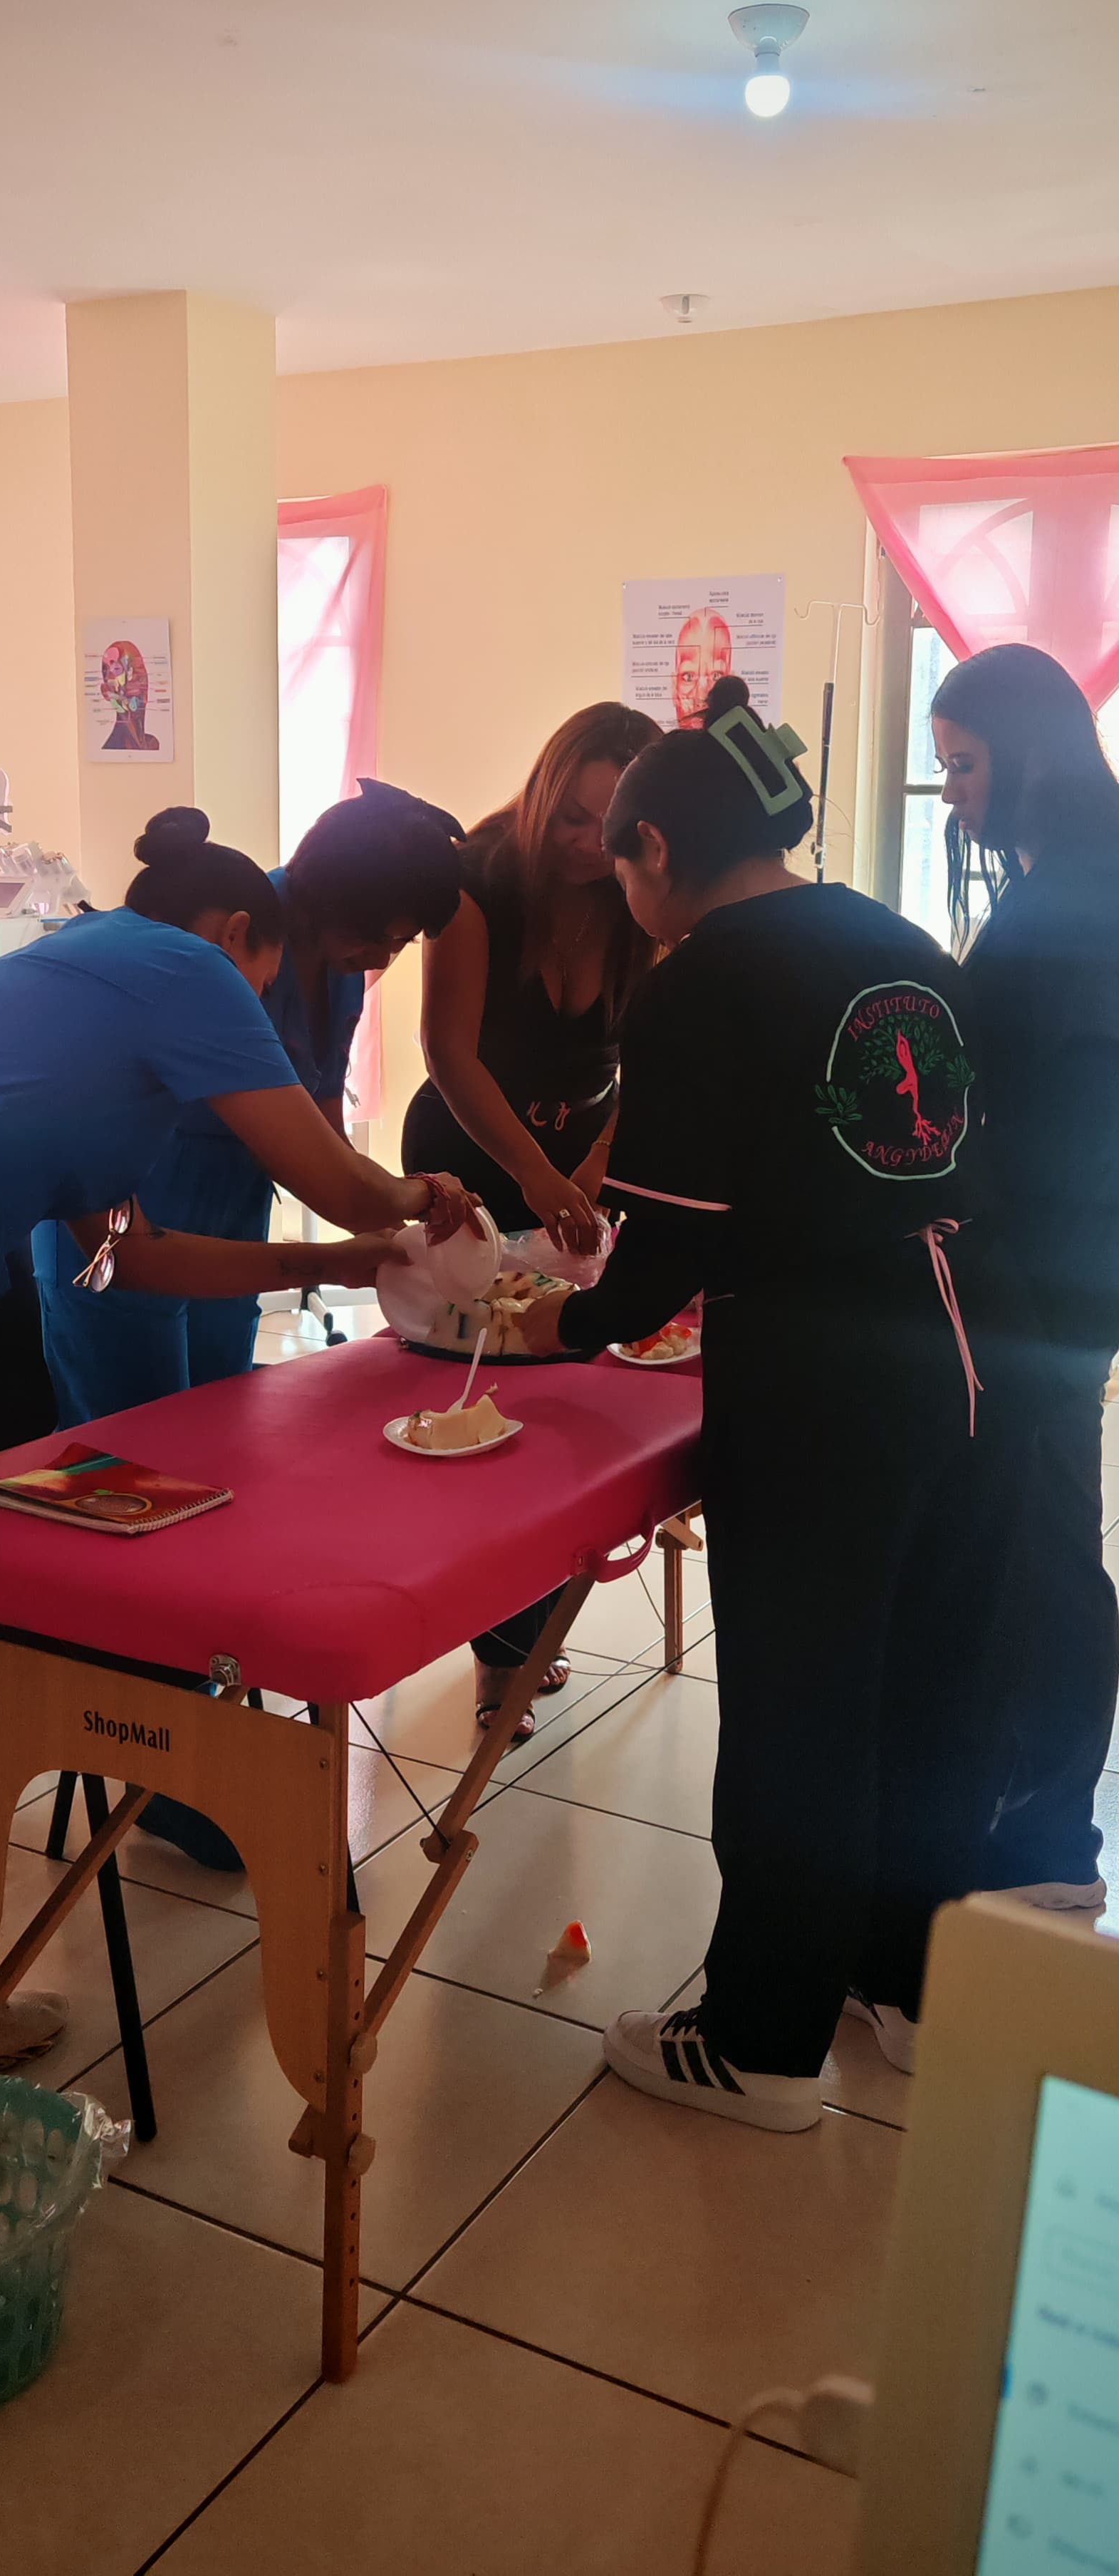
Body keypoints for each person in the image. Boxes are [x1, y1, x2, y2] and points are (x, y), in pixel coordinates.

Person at [0, 821, 470, 2121]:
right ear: (237, 939)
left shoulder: (78, 1005)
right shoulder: (180, 966)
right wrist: (415, 1200)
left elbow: (136, 1257)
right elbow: (336, 1178)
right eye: (271, 988)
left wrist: (330, 1270)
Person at [514, 676, 1003, 2133]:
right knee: (917, 1685)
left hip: (817, 1381)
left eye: (623, 866)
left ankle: (763, 2042)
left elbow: (662, 1249)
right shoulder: (900, 942)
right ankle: (905, 1987)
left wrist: (561, 1321)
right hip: (958, 1356)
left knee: (800, 1705)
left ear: (657, 848)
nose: (627, 898)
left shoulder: (701, 979)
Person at [36, 784, 464, 1424]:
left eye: (400, 945)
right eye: (382, 937)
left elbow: (322, 1128)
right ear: (331, 901)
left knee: (220, 1422)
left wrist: (382, 1234)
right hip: (133, 1200)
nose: (381, 959)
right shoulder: (219, 948)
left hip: (230, 1205)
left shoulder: (339, 965)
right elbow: (320, 1171)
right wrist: (417, 1198)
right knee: (134, 1439)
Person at [401, 702, 660, 1736]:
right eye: (573, 820)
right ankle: (495, 1649)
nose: (591, 846)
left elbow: (655, 1055)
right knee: (471, 1386)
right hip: (470, 1153)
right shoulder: (478, 878)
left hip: (575, 1156)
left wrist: (594, 1164)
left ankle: (521, 1628)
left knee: (559, 1391)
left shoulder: (646, 883)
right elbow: (448, 1054)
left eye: (613, 825)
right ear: (544, 793)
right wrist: (537, 1173)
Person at [932, 642, 1119, 1910]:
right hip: (1068, 1264)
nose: (954, 795)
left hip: (1053, 1271)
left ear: (1028, 754)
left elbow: (1060, 1108)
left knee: (1044, 1554)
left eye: (964, 765)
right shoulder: (1072, 873)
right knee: (1043, 1538)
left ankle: (1048, 1846)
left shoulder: (1076, 898)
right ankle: (1040, 1826)